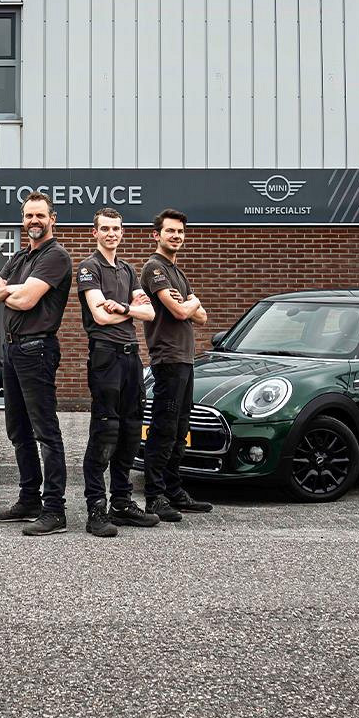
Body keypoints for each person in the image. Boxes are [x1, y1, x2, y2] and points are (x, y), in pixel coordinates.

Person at [0, 192, 74, 536]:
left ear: (52, 219)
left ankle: (55, 510)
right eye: (28, 215)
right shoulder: (20, 257)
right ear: (23, 220)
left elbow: (26, 300)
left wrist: (8, 291)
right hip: (12, 349)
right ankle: (29, 499)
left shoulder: (56, 256)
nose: (34, 221)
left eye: (40, 215)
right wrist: (10, 291)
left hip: (38, 349)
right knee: (18, 430)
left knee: (45, 432)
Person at [76, 207, 160, 537]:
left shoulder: (128, 270)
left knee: (130, 431)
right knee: (106, 431)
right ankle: (96, 508)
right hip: (105, 357)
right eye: (105, 228)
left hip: (131, 357)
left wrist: (124, 307)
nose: (111, 234)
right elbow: (100, 316)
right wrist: (132, 310)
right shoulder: (89, 267)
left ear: (122, 232)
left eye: (116, 229)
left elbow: (149, 313)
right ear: (94, 232)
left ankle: (122, 503)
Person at [140, 208, 214, 521]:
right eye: (170, 231)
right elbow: (182, 313)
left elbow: (202, 316)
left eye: (180, 232)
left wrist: (189, 303)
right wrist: (190, 303)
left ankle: (173, 491)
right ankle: (154, 497)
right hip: (168, 360)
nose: (176, 236)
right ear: (156, 235)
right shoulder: (154, 268)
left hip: (185, 360)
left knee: (181, 429)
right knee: (164, 428)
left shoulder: (177, 273)